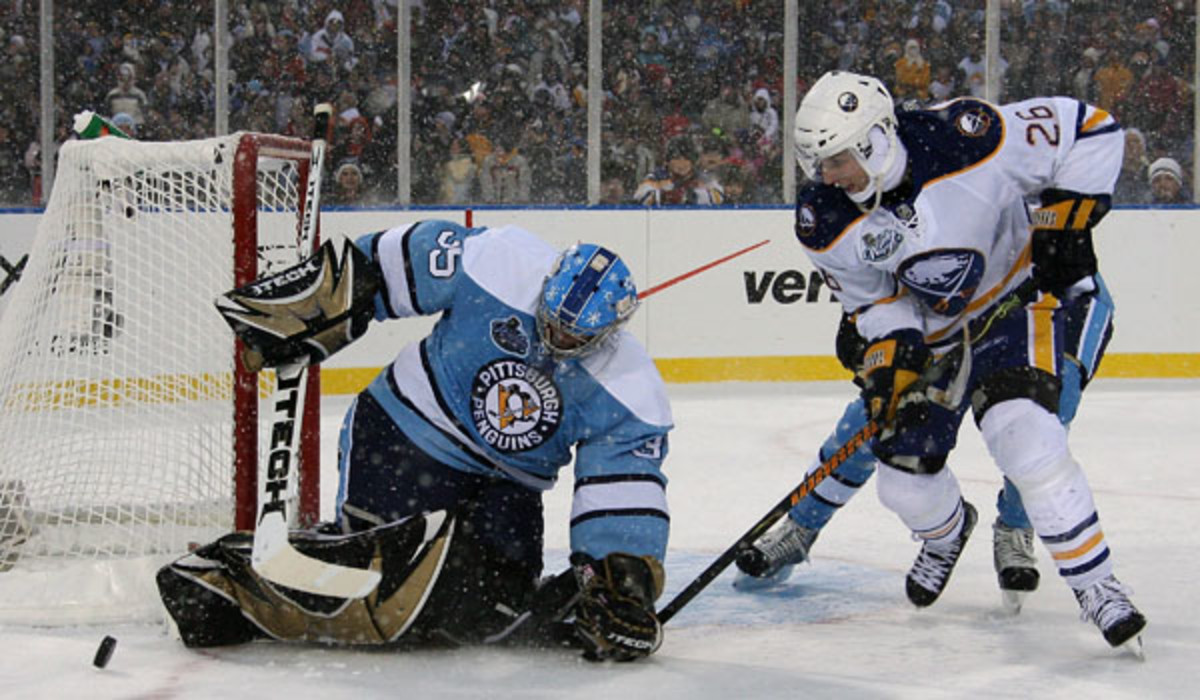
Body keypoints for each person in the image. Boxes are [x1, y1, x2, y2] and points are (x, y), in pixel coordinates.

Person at [743, 70, 1145, 652]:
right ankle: (944, 536)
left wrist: (1066, 218)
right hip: (938, 336)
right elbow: (871, 302)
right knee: (901, 475)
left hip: (1015, 306)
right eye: (816, 162)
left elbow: (1092, 130)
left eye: (834, 160)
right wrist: (890, 350)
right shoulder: (823, 215)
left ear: (876, 141)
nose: (823, 176)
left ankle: (1096, 583)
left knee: (1031, 437)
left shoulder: (966, 135)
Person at [158, 220, 673, 662]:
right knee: (383, 581)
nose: (556, 340)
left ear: (610, 331)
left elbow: (622, 497)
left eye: (574, 338)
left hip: (504, 487)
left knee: (490, 608)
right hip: (402, 439)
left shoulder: (629, 390)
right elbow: (382, 267)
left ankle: (288, 571)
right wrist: (308, 307)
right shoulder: (497, 261)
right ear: (548, 282)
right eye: (552, 323)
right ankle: (229, 580)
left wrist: (620, 584)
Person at [632, 136, 724, 206]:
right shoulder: (656, 177)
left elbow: (718, 195)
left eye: (686, 159)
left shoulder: (701, 177)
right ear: (667, 161)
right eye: (677, 159)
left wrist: (688, 196)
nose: (681, 164)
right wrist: (665, 196)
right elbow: (641, 196)